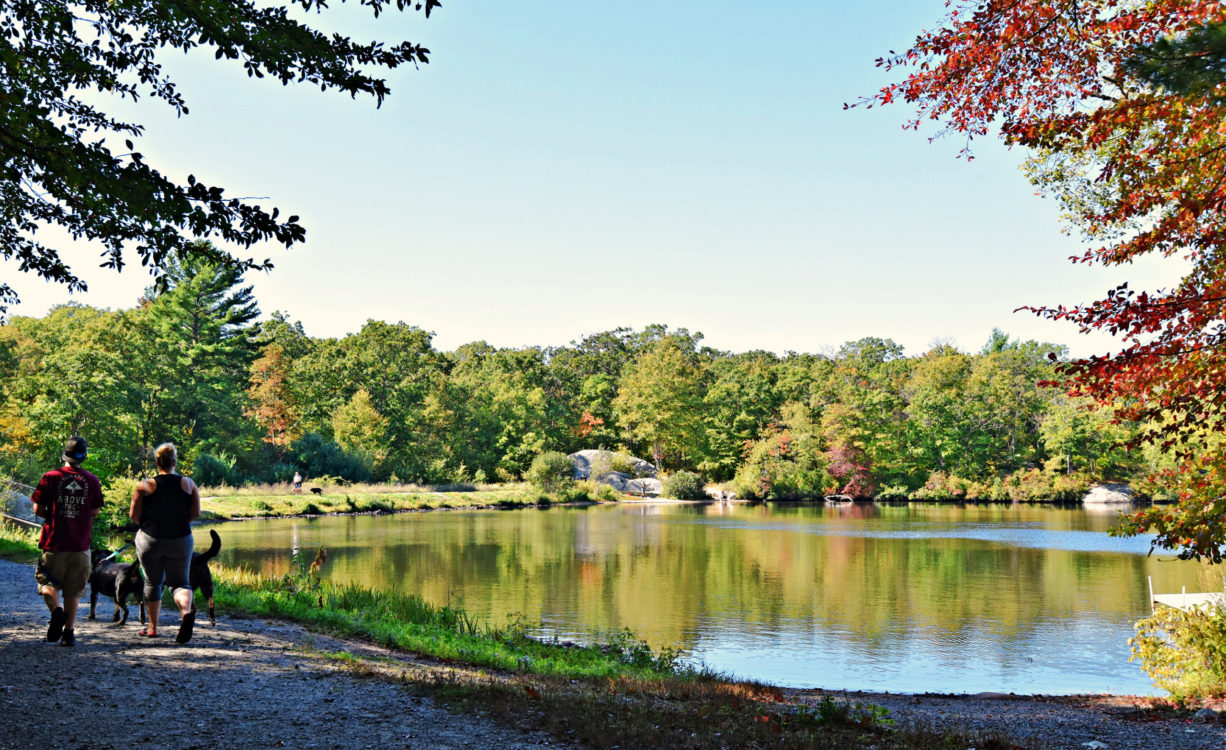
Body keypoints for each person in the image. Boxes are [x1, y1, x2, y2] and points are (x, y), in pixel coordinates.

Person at [31, 436, 104, 647]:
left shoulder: (51, 477)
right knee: (73, 591)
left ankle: (57, 612)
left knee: (46, 582)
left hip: (54, 543)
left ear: (65, 454)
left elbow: (37, 508)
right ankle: (69, 633)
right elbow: (95, 511)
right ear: (83, 456)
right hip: (81, 545)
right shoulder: (92, 480)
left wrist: (53, 516)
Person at [130, 443, 201, 643]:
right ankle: (186, 612)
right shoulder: (188, 484)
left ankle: (152, 628)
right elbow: (195, 514)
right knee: (180, 583)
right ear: (175, 462)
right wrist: (176, 524)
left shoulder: (144, 486)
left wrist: (151, 524)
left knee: (153, 582)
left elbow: (134, 516)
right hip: (180, 538)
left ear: (157, 462)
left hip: (149, 539)